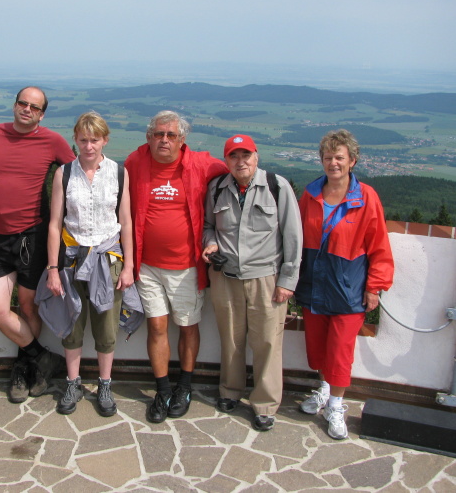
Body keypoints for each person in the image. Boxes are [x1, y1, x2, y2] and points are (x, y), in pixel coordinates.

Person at [125, 111, 228, 423]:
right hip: (147, 265)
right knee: (156, 327)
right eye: (158, 134)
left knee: (187, 326)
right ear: (148, 137)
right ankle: (162, 390)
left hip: (186, 267)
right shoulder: (135, 162)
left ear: (182, 140)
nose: (164, 140)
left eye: (171, 135)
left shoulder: (201, 164)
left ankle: (184, 386)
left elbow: (236, 171)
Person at [0, 86, 76, 403]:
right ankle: (42, 357)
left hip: (33, 236)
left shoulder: (52, 141)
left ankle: (24, 369)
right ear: (14, 105)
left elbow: (78, 175)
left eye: (34, 107)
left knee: (28, 306)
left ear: (42, 114)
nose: (27, 110)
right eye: (23, 103)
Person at [295, 129, 394, 440]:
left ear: (352, 161)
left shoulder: (366, 197)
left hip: (348, 287)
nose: (333, 163)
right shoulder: (310, 195)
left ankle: (336, 405)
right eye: (328, 157)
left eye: (339, 157)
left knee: (340, 350)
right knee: (318, 347)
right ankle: (325, 389)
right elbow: (294, 238)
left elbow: (379, 245)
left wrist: (375, 286)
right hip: (313, 284)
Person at [202, 134, 302, 432]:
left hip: (266, 279)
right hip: (226, 277)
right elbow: (208, 226)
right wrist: (210, 243)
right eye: (234, 156)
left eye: (246, 155)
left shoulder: (277, 186)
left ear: (256, 156)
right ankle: (230, 391)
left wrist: (287, 280)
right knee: (231, 339)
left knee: (267, 342)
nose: (240, 161)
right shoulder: (217, 188)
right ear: (226, 160)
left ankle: (265, 404)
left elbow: (293, 236)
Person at [41, 112, 136, 416]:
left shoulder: (119, 173)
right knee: (72, 324)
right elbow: (55, 224)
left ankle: (105, 384)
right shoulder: (64, 173)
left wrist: (129, 266)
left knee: (106, 328)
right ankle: (73, 383)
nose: (89, 146)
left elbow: (126, 222)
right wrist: (52, 269)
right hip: (71, 260)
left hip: (108, 260)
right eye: (83, 140)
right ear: (75, 140)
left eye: (95, 139)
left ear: (105, 140)